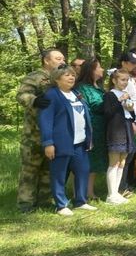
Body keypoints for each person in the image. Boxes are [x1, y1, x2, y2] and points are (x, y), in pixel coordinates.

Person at [39, 65, 96, 215]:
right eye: (67, 75)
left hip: (80, 142)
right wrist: (48, 143)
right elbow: (45, 120)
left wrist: (88, 139)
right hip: (61, 142)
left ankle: (81, 201)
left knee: (83, 170)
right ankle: (61, 205)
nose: (71, 77)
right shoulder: (52, 95)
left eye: (72, 75)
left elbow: (85, 117)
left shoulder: (76, 93)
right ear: (57, 79)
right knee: (59, 174)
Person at [16, 48, 66, 212]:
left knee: (48, 169)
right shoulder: (35, 77)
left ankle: (45, 200)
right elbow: (22, 95)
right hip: (34, 134)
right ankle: (25, 204)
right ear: (46, 60)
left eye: (63, 59)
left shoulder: (60, 79)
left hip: (53, 133)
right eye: (58, 58)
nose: (62, 61)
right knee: (30, 169)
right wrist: (35, 100)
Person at [76, 58, 108, 200]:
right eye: (99, 67)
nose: (102, 70)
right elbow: (92, 106)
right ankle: (81, 192)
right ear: (91, 70)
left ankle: (89, 191)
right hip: (90, 127)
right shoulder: (82, 87)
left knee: (95, 161)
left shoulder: (98, 87)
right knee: (87, 159)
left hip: (101, 127)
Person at [103, 69, 136, 204]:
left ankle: (116, 193)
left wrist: (131, 109)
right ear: (114, 80)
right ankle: (111, 195)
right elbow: (108, 113)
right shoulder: (109, 95)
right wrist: (119, 100)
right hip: (116, 131)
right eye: (122, 79)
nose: (125, 82)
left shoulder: (125, 94)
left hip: (126, 129)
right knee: (114, 162)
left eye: (127, 80)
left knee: (122, 162)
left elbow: (131, 116)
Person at [117, 51, 136, 195]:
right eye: (132, 63)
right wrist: (132, 122)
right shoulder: (119, 77)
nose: (135, 65)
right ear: (123, 63)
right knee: (126, 154)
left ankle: (128, 183)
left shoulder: (131, 78)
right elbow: (122, 102)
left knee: (132, 154)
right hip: (129, 120)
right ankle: (121, 187)